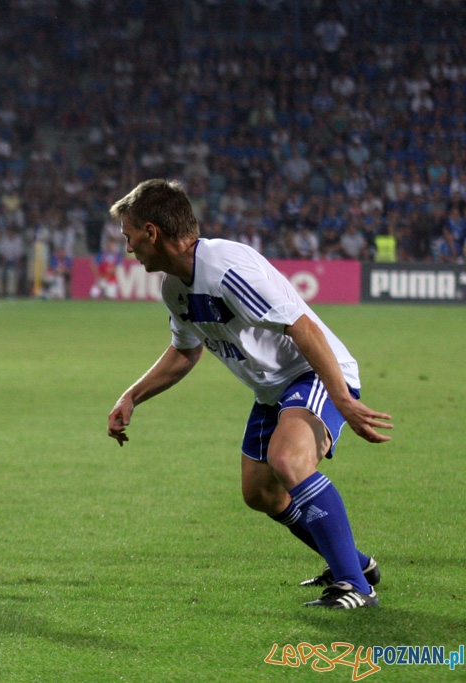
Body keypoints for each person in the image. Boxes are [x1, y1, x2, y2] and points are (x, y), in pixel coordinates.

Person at [106, 179, 392, 610]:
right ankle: (355, 563)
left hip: (313, 373)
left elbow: (303, 327)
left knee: (287, 460)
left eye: (129, 236)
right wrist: (132, 396)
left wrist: (343, 400)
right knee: (261, 493)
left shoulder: (225, 268)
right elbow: (186, 351)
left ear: (152, 232)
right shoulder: (175, 288)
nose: (128, 248)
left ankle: (356, 587)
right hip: (272, 390)